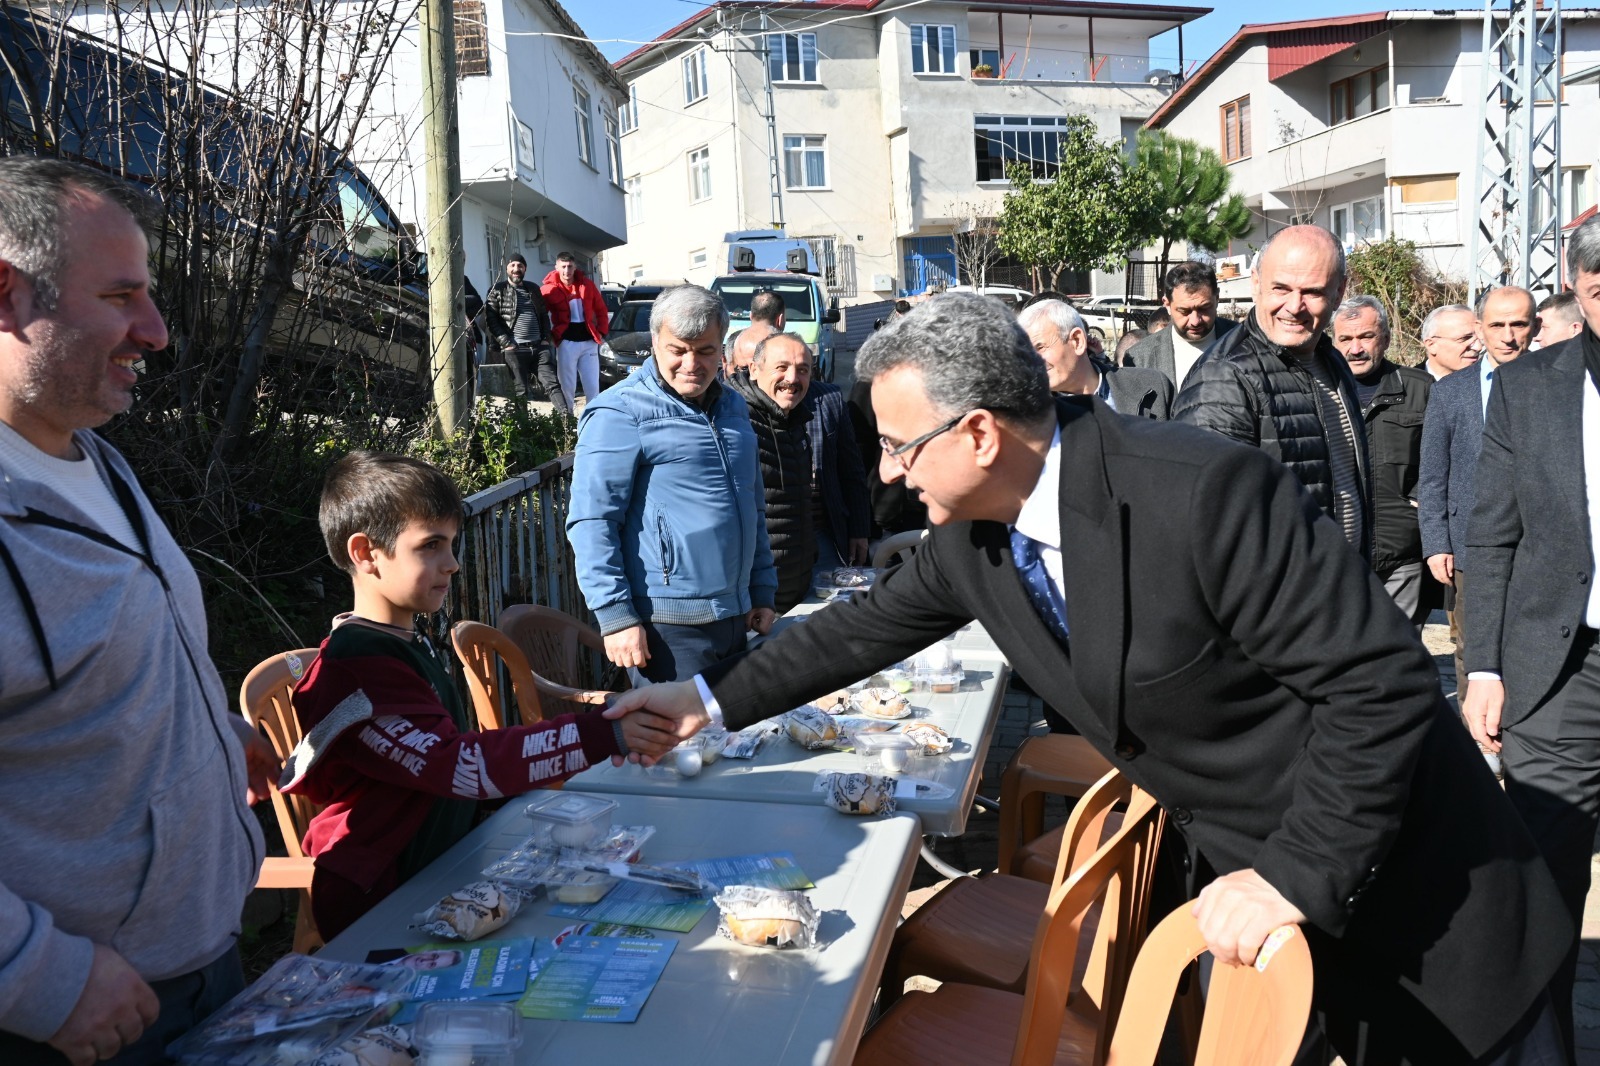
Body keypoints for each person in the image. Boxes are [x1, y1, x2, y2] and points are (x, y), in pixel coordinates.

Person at [605, 292, 1570, 1065]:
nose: (890, 474)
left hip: (1422, 891)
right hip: (1261, 900)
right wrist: (704, 701)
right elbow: (856, 632)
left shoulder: (1201, 493)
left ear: (978, 433)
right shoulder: (976, 539)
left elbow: (1383, 689)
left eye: (901, 446)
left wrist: (1293, 875)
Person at [0, 157, 278, 1064]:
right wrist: (33, 972)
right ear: (6, 298)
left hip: (200, 968)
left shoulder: (93, 457)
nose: (155, 332)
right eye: (122, 296)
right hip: (75, 1022)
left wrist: (202, 737)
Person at [282, 452, 661, 940]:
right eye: (431, 545)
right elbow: (457, 766)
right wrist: (604, 732)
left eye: (452, 544)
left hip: (442, 871)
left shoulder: (402, 643)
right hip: (379, 903)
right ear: (366, 553)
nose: (453, 563)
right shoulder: (357, 667)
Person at [1463, 223, 1600, 1061]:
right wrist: (1483, 665)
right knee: (1547, 875)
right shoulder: (1529, 389)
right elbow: (1492, 536)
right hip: (1561, 669)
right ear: (1582, 290)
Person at [567, 284, 777, 683]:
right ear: (655, 342)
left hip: (737, 615)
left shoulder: (733, 406)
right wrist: (615, 616)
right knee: (686, 746)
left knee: (737, 743)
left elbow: (752, 506)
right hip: (667, 629)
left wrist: (762, 588)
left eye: (705, 351)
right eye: (678, 350)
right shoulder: (618, 411)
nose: (691, 364)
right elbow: (592, 521)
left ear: (723, 348)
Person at [1173, 226, 1371, 558]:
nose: (1294, 306)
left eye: (1312, 292)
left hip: (1343, 589)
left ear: (1339, 294)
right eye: (1281, 288)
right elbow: (1211, 526)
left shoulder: (1332, 360)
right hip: (1285, 602)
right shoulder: (1223, 378)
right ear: (1256, 283)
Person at [1419, 287, 1535, 711]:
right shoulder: (1451, 392)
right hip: (1471, 544)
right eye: (1497, 326)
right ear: (1479, 332)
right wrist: (1436, 544)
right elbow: (1433, 475)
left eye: (1518, 325)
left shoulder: (1556, 385)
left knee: (1532, 647)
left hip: (1540, 543)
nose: (1507, 336)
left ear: (1534, 328)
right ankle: (1481, 749)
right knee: (1475, 647)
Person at [1332, 295, 1435, 628]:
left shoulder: (1420, 389)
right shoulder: (1318, 390)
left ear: (1386, 339)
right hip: (1336, 551)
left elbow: (1440, 457)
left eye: (1366, 337)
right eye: (1346, 339)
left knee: (1400, 652)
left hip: (1402, 551)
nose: (1355, 348)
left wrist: (1420, 499)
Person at [729, 333, 816, 612]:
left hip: (794, 589)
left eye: (803, 370)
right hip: (754, 603)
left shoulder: (794, 420)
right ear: (754, 370)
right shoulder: (734, 424)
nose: (792, 378)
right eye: (781, 367)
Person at [1018, 299, 1171, 419]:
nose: (1031, 361)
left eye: (1039, 347)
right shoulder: (1028, 415)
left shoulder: (1151, 386)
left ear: (1077, 341)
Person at [1123, 261, 1238, 389]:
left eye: (1204, 308)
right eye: (1184, 311)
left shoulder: (1244, 341)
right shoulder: (1139, 358)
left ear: (1217, 299)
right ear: (1167, 305)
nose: (1195, 321)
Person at [802, 369, 871, 571]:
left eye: (802, 369)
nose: (791, 378)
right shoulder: (739, 408)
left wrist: (859, 530)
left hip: (825, 535)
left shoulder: (828, 399)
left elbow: (852, 470)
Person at [483, 255, 561, 409]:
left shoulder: (533, 289)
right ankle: (523, 428)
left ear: (525, 268)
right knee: (520, 390)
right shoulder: (497, 290)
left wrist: (546, 339)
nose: (516, 269)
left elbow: (544, 315)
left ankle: (567, 422)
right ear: (507, 268)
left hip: (538, 347)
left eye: (520, 265)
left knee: (553, 385)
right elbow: (491, 320)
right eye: (512, 265)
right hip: (515, 349)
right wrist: (507, 343)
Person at [541, 252, 610, 415]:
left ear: (575, 267)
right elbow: (541, 314)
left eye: (570, 266)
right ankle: (568, 419)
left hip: (589, 341)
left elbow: (601, 309)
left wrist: (602, 331)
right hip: (566, 342)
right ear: (556, 267)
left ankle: (594, 418)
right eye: (563, 267)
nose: (567, 271)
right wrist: (547, 336)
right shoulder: (547, 289)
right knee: (567, 385)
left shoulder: (587, 285)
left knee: (592, 385)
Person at [1420, 303, 1481, 380]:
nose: (1478, 347)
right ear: (1431, 345)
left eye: (1479, 338)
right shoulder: (1406, 387)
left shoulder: (1492, 384)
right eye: (1465, 338)